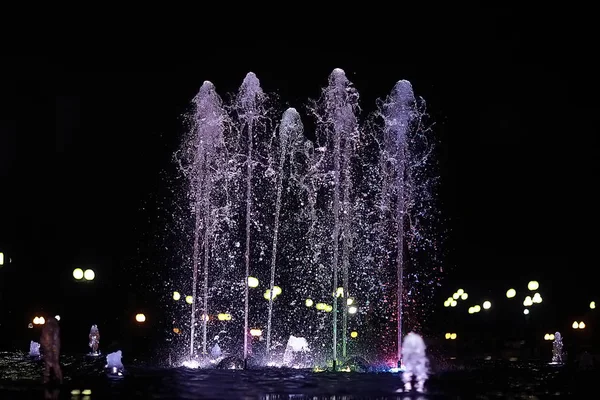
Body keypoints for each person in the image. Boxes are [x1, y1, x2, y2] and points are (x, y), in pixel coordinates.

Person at [40, 317, 63, 384]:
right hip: (48, 346)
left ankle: (59, 379)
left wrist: (52, 347)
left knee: (54, 363)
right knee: (48, 362)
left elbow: (55, 339)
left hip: (52, 346)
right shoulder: (48, 327)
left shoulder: (53, 327)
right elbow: (43, 337)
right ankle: (47, 379)